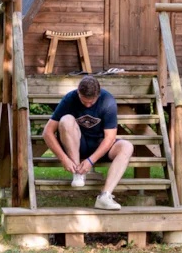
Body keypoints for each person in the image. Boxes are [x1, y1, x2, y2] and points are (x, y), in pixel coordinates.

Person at [42, 76, 133, 210]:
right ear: (78, 92)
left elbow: (110, 138)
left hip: (100, 145)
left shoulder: (107, 101)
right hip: (76, 144)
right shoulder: (69, 99)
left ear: (98, 94)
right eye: (84, 101)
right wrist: (64, 159)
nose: (88, 105)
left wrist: (91, 161)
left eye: (92, 102)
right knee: (66, 119)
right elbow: (47, 132)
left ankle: (105, 196)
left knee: (127, 146)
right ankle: (78, 173)